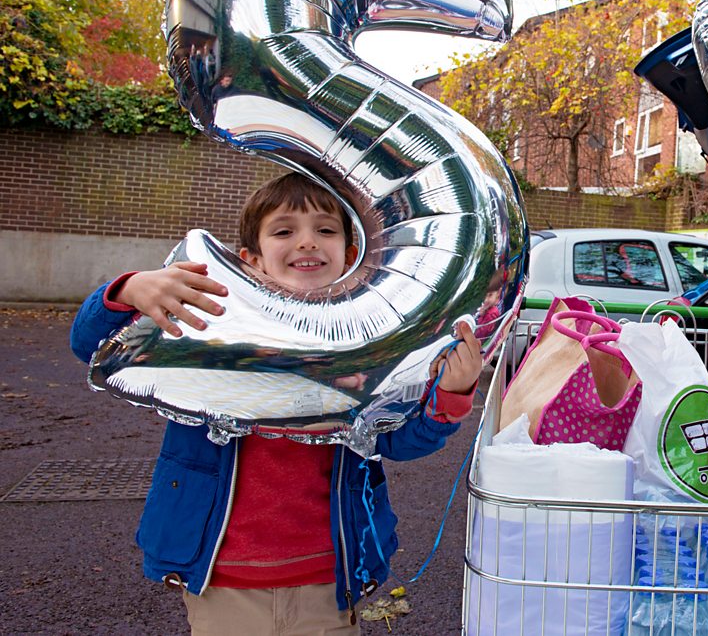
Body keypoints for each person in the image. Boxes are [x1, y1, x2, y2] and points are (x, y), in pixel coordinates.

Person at [69, 172, 483, 634]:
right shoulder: (213, 322)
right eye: (284, 231)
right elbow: (91, 345)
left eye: (325, 230)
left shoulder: (372, 349)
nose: (307, 242)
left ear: (350, 255)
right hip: (222, 577)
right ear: (252, 260)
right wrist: (127, 292)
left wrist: (452, 393)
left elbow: (402, 441)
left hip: (330, 578)